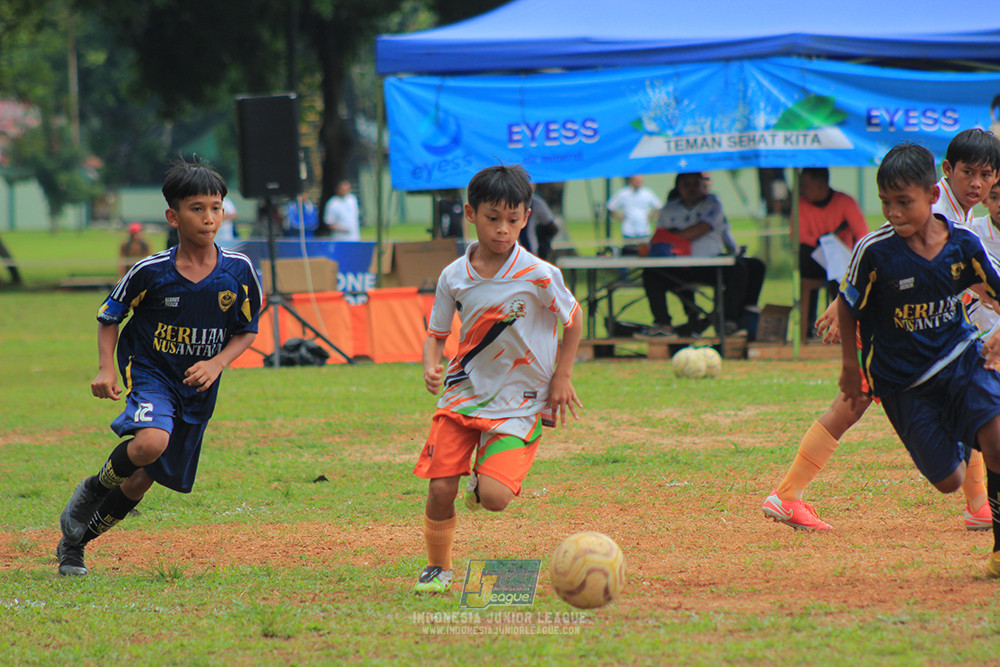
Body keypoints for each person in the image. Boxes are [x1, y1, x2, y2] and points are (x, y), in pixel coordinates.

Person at [763, 132, 1000, 532]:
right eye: (968, 173)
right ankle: (787, 494)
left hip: (920, 332)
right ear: (947, 171)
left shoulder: (960, 218)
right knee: (851, 405)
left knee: (963, 391)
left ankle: (979, 504)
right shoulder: (938, 205)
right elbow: (888, 248)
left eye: (986, 175)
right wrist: (842, 305)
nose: (977, 183)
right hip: (887, 330)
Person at [56, 159, 263, 576]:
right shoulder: (150, 271)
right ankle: (93, 488)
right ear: (173, 216)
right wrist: (106, 369)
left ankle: (74, 545)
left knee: (142, 478)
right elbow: (109, 317)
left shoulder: (239, 270)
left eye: (216, 208)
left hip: (198, 388)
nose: (209, 218)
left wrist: (217, 363)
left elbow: (247, 330)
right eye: (197, 208)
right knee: (150, 443)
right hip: (151, 371)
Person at [412, 164, 583, 593]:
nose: (503, 229)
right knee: (440, 488)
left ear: (526, 217)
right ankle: (438, 567)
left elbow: (574, 319)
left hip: (520, 401)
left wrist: (562, 377)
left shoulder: (539, 274)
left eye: (513, 219)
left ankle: (482, 481)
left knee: (494, 499)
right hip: (462, 395)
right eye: (492, 218)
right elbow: (436, 334)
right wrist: (430, 364)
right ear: (471, 214)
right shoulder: (454, 275)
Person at [838, 142, 1000, 577]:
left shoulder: (962, 244)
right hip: (903, 381)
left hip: (959, 356)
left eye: (903, 202)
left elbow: (996, 290)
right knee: (949, 481)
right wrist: (851, 367)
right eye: (885, 203)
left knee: (997, 441)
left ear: (931, 195)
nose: (893, 213)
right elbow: (847, 305)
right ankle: (958, 432)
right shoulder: (875, 252)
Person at [641, 172, 765, 337]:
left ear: (703, 186)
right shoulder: (668, 209)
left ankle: (730, 320)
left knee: (743, 268)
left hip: (710, 265)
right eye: (687, 184)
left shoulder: (713, 204)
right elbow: (659, 238)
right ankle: (663, 323)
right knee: (651, 274)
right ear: (678, 187)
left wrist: (674, 235)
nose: (692, 188)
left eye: (696, 184)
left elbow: (702, 228)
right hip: (678, 265)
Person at [796, 168, 870, 336]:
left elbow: (862, 233)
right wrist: (821, 242)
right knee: (805, 252)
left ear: (821, 185)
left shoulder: (846, 202)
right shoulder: (800, 204)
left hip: (842, 264)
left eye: (806, 186)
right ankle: (809, 326)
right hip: (814, 262)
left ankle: (842, 325)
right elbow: (799, 235)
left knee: (841, 273)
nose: (802, 190)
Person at [606, 175, 662, 250]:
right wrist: (619, 218)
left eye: (640, 181)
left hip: (644, 230)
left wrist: (651, 217)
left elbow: (659, 206)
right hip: (628, 230)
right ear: (631, 181)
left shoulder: (647, 193)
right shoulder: (623, 193)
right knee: (629, 251)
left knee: (644, 251)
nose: (638, 183)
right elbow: (610, 207)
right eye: (636, 181)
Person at [519, 184, 559, 260]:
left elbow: (551, 225)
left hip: (530, 248)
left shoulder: (535, 203)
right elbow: (551, 224)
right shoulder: (535, 202)